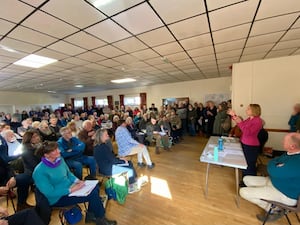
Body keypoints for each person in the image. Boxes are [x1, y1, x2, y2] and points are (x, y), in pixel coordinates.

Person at [32, 142, 117, 225]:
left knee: (95, 188)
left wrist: (77, 181)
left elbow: (68, 173)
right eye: (55, 150)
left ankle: (92, 215)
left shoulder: (59, 159)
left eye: (58, 148)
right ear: (46, 155)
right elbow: (50, 193)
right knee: (92, 194)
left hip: (70, 188)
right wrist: (71, 190)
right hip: (57, 198)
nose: (59, 151)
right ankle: (100, 218)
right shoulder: (39, 171)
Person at [240, 133, 300, 222]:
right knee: (246, 179)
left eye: (284, 141)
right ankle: (269, 200)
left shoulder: (297, 162)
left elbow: (273, 171)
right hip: (275, 182)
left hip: (285, 193)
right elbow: (273, 162)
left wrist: (275, 166)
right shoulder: (290, 153)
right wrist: (275, 165)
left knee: (243, 192)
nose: (282, 141)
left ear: (292, 146)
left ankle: (274, 210)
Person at [228, 104, 263, 177]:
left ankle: (250, 182)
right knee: (244, 163)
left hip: (251, 146)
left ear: (254, 110)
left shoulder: (258, 121)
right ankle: (245, 180)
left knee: (249, 164)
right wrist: (234, 115)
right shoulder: (250, 119)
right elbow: (241, 123)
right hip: (244, 143)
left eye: (248, 109)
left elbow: (247, 132)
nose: (246, 110)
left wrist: (240, 122)